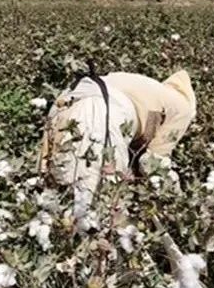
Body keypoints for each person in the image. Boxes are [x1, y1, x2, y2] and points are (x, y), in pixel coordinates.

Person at [38, 67, 196, 231]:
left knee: (56, 193)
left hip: (66, 100)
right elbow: (152, 164)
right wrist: (179, 201)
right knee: (102, 211)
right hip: (101, 113)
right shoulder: (183, 109)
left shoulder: (153, 89)